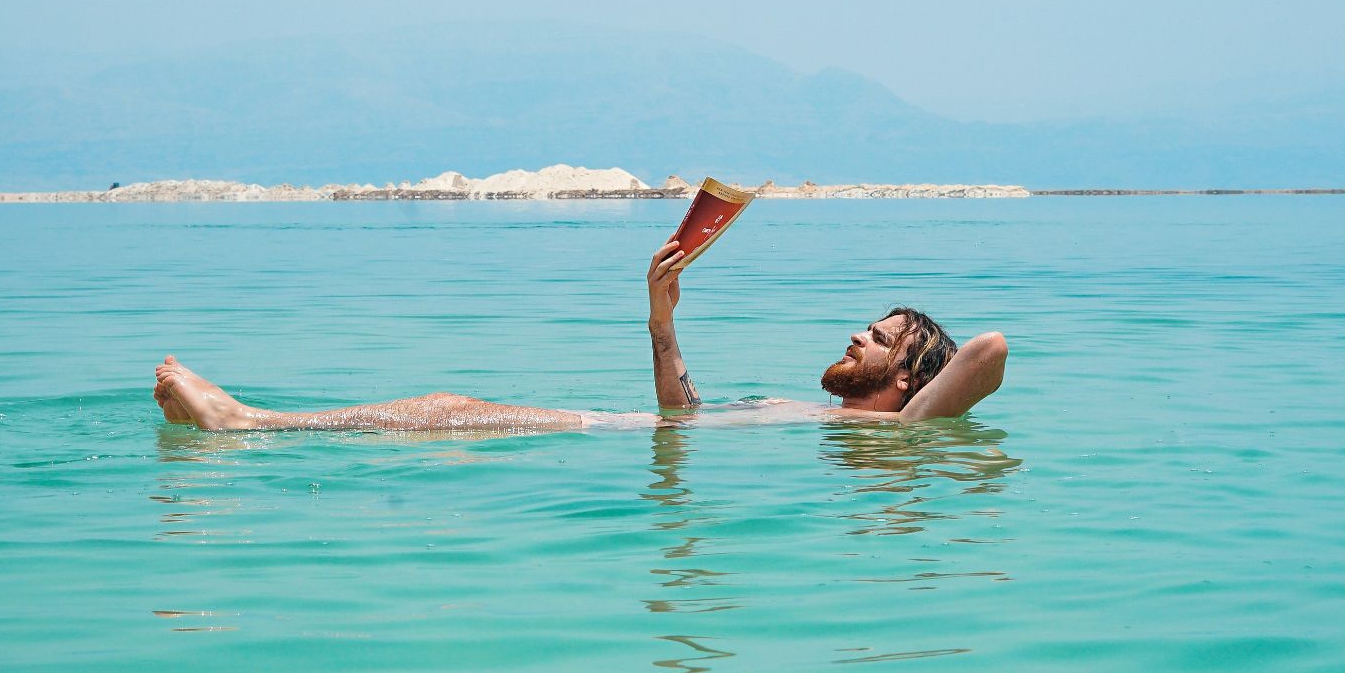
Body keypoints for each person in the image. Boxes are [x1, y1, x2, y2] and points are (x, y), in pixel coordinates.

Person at [152, 240, 1008, 433]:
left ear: (909, 374)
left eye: (879, 338)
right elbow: (684, 418)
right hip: (634, 431)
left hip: (607, 436)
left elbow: (989, 350)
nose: (856, 335)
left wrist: (914, 408)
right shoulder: (834, 424)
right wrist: (661, 318)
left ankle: (248, 423)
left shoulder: (897, 432)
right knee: (446, 410)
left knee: (445, 412)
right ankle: (252, 422)